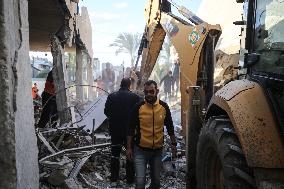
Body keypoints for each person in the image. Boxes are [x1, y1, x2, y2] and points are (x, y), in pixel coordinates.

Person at [127, 80, 177, 189]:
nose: (149, 94)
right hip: (140, 150)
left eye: (151, 91)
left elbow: (170, 126)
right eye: (146, 92)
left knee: (156, 182)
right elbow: (130, 128)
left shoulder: (163, 107)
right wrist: (129, 148)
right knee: (140, 182)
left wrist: (174, 144)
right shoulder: (138, 107)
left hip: (157, 151)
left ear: (157, 91)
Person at [104, 78, 141, 185]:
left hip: (115, 131)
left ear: (121, 84)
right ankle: (130, 180)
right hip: (130, 132)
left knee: (115, 155)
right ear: (130, 85)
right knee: (130, 154)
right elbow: (139, 115)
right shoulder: (135, 97)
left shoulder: (112, 96)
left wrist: (115, 119)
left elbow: (106, 112)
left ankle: (114, 180)